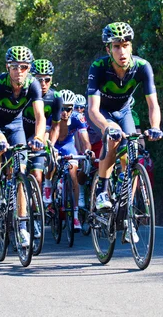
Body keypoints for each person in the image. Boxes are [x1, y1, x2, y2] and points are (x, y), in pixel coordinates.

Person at [87, 22, 163, 242]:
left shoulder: (142, 66)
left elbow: (153, 105)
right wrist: (107, 126)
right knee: (113, 139)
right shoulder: (99, 67)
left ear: (131, 46)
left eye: (125, 45)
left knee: (132, 154)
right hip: (101, 112)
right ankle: (102, 189)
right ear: (108, 49)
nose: (122, 51)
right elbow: (92, 109)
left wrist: (155, 127)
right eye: (116, 46)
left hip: (124, 111)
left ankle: (127, 210)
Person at [0, 46, 46, 247]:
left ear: (29, 69)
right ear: (8, 67)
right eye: (15, 67)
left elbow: (40, 117)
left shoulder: (33, 84)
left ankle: (23, 227)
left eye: (24, 67)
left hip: (16, 126)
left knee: (21, 173)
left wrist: (38, 137)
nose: (19, 71)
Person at [22, 59, 62, 205]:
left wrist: (50, 144)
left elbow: (56, 127)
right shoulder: (24, 94)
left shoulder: (55, 97)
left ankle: (35, 213)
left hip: (37, 135)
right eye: (39, 80)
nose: (43, 83)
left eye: (47, 79)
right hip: (21, 132)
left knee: (38, 175)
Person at [53, 90, 93, 230]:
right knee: (49, 167)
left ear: (73, 108)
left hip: (68, 146)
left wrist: (87, 150)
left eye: (68, 108)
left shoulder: (78, 118)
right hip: (54, 144)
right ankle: (50, 198)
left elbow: (85, 139)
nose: (64, 112)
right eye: (62, 108)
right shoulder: (51, 115)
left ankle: (75, 216)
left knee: (73, 175)